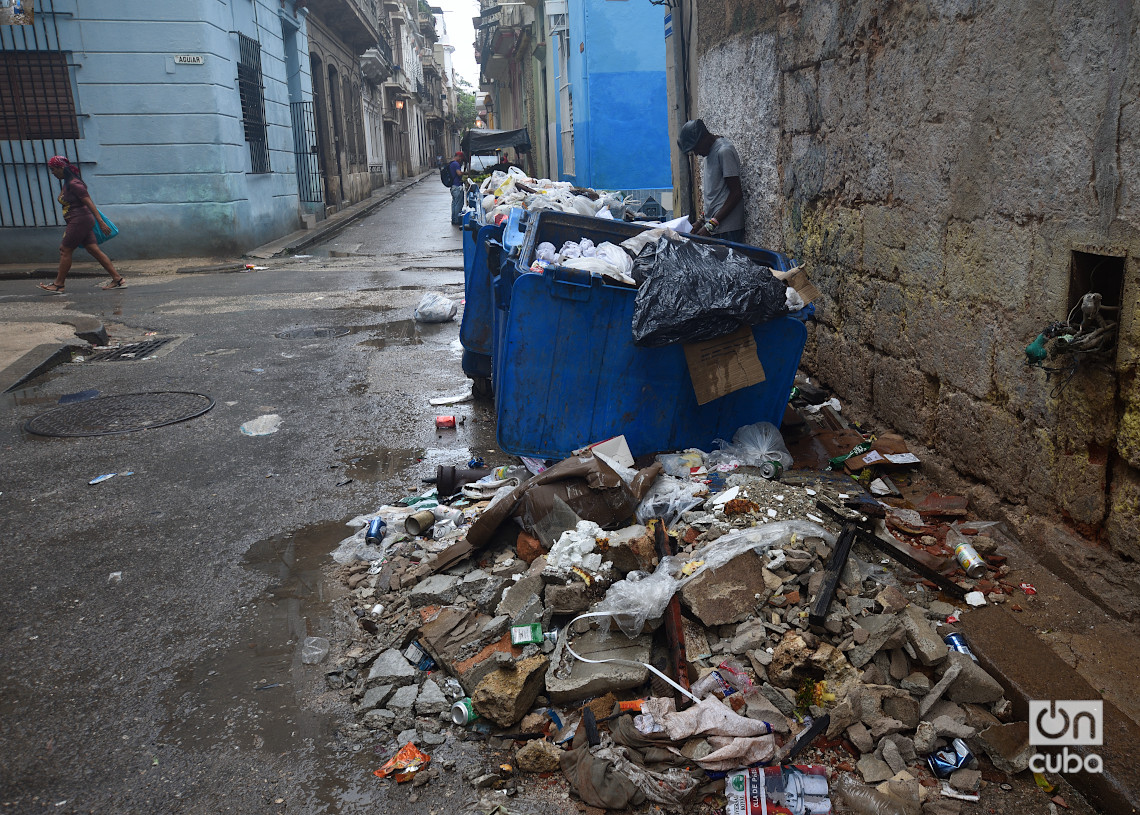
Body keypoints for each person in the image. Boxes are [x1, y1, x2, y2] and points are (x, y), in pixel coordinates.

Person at [37, 155, 125, 294]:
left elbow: (89, 203)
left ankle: (59, 285)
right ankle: (118, 279)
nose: (52, 173)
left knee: (65, 250)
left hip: (79, 221)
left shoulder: (74, 184)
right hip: (79, 220)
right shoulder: (67, 182)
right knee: (93, 249)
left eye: (53, 169)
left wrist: (101, 222)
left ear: (61, 168)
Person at [677, 119, 745, 243]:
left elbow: (736, 193)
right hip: (715, 226)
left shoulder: (724, 151)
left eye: (696, 148)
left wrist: (711, 225)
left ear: (704, 138)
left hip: (727, 229)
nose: (696, 153)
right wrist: (701, 221)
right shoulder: (708, 153)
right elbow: (715, 196)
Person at [448, 150, 466, 226]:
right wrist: (466, 173)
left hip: (453, 186)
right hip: (457, 186)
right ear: (458, 157)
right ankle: (457, 220)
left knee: (454, 204)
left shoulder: (451, 163)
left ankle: (454, 219)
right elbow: (458, 173)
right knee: (458, 204)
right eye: (460, 158)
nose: (460, 160)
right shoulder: (456, 164)